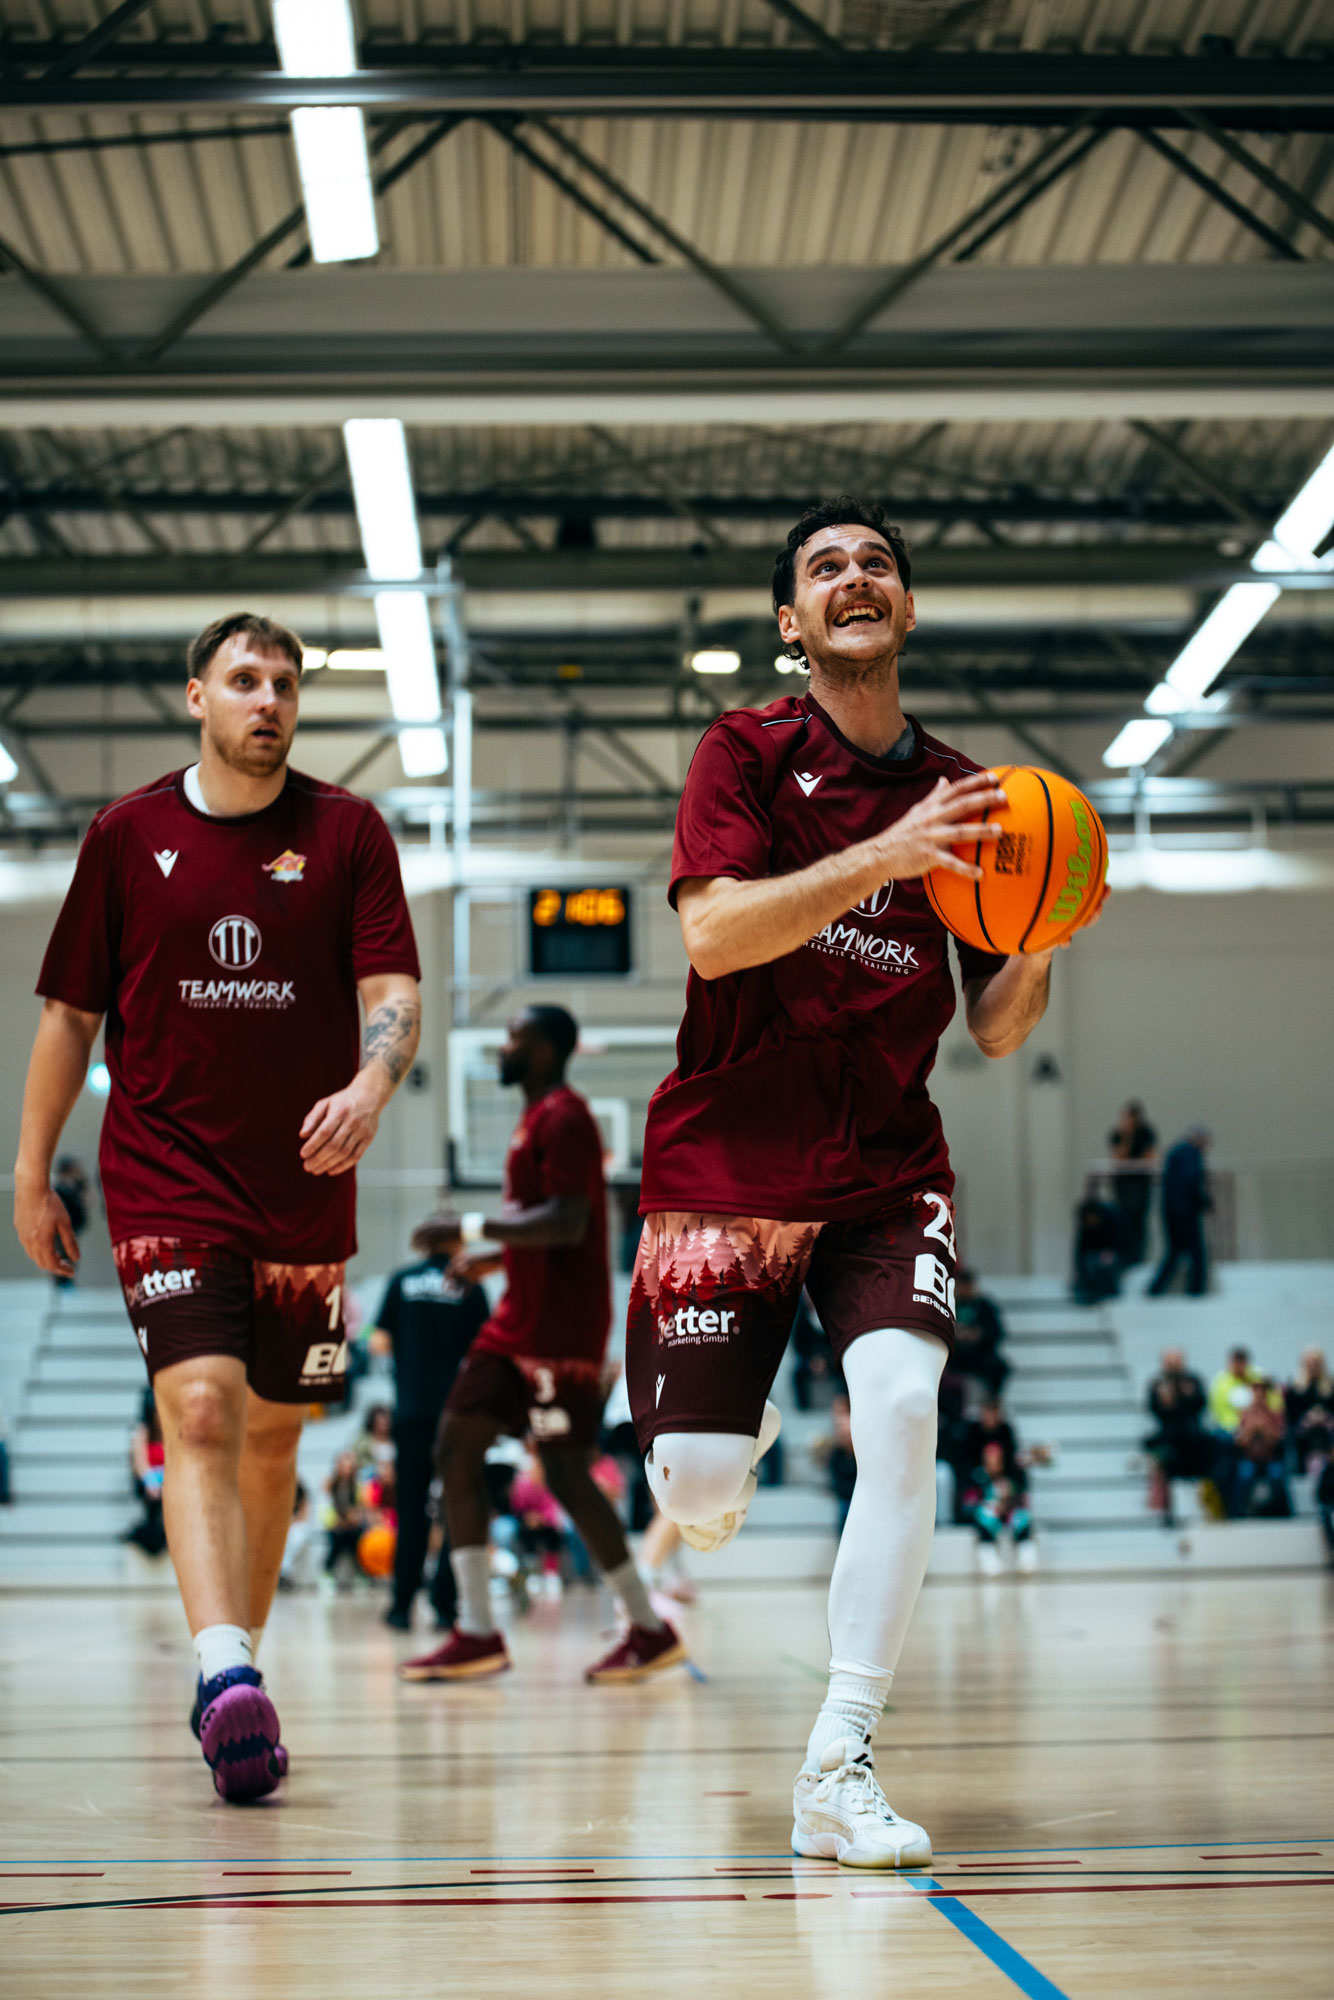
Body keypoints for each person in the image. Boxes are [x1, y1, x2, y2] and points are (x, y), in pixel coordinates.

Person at [625, 498, 1100, 1869]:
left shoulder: (975, 797)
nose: (854, 578)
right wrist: (882, 858)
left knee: (899, 1411)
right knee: (694, 1486)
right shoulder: (742, 752)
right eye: (824, 567)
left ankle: (837, 1761)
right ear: (791, 620)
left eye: (877, 563)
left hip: (888, 1165)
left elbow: (996, 1029)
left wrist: (1041, 927)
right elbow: (716, 935)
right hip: (727, 1155)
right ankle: (717, 1445)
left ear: (905, 607)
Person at [12, 610, 421, 1801]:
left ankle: (236, 1676)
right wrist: (31, 1172)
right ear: (196, 696)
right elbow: (68, 1016)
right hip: (165, 1174)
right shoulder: (125, 835)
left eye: (285, 682)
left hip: (304, 1185)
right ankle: (225, 1665)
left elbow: (393, 990)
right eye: (245, 679)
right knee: (198, 1408)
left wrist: (371, 1083)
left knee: (276, 1434)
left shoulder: (348, 831)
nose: (269, 699)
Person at [399, 1006, 682, 1685]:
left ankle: (647, 1626)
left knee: (565, 1475)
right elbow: (548, 1229)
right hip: (519, 1323)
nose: (503, 1048)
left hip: (558, 1332)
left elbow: (567, 1222)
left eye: (515, 1038)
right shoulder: (535, 1121)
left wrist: (469, 1227)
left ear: (547, 1050)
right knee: (455, 1449)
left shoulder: (566, 1118)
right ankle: (475, 1629)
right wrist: (496, 1260)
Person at [371, 1213, 490, 1631]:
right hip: (456, 1414)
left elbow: (378, 1341)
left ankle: (401, 1605)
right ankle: (445, 1605)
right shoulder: (469, 1284)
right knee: (458, 1506)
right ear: (457, 1242)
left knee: (411, 1509)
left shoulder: (401, 1281)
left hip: (411, 1412)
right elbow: (484, 1348)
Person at [1142, 1348, 1212, 1521]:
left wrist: (1186, 1396)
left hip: (1193, 1439)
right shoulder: (1157, 1383)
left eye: (1176, 1362)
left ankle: (1208, 1508)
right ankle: (1168, 1511)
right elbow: (1154, 1410)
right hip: (1169, 1439)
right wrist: (1167, 1401)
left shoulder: (1192, 1380)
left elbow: (1201, 1404)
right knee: (1164, 1462)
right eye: (1170, 1362)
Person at [1148, 1127, 1212, 1297]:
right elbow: (1192, 1179)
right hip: (1186, 1211)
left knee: (1174, 1251)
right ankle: (1196, 1290)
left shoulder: (1175, 1152)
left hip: (1170, 1209)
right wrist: (1203, 1201)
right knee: (1196, 1251)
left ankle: (1155, 1290)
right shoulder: (1192, 1154)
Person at [971, 1439, 1038, 1575]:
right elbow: (973, 1500)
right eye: (989, 1459)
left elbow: (1022, 1497)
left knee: (1022, 1517)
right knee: (985, 1515)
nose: (993, 1462)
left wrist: (1009, 1499)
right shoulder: (979, 1476)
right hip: (992, 1515)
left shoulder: (1012, 1475)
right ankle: (988, 1554)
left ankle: (1025, 1552)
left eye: (996, 1459)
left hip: (1009, 1512)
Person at [1107, 1101, 1157, 1266]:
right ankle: (1125, 1254)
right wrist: (1127, 1137)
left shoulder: (1146, 1133)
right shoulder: (1118, 1134)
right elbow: (1119, 1157)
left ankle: (1139, 1256)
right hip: (1123, 1184)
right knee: (1123, 1219)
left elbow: (1150, 1157)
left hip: (1141, 1183)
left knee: (1140, 1221)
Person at [124, 1387, 168, 1556]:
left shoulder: (168, 1431)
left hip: (167, 1478)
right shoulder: (141, 1432)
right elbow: (139, 1461)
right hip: (148, 1481)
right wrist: (151, 1480)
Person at [952, 1268, 1009, 1396]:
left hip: (978, 1353)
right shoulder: (950, 1304)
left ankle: (992, 1400)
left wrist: (978, 1335)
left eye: (968, 1286)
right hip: (954, 1354)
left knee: (999, 1367)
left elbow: (997, 1332)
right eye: (962, 1286)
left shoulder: (985, 1306)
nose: (965, 1290)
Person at [1285, 1347, 1334, 1475]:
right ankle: (1300, 1470)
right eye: (1309, 1363)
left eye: (1315, 1363)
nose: (1312, 1367)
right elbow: (1290, 1413)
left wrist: (1324, 1417)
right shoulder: (1295, 1387)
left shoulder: (1330, 1385)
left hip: (1327, 1429)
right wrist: (1307, 1418)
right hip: (1303, 1430)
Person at [1072, 1189, 1123, 1303]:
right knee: (1092, 1263)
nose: (1091, 1221)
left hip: (1113, 1256)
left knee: (1104, 1264)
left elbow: (1121, 1244)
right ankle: (1089, 1290)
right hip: (1094, 1258)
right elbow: (1080, 1253)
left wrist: (1110, 1252)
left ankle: (1107, 1292)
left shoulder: (1111, 1222)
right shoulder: (1086, 1229)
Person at [51, 1157, 89, 1288]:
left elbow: (85, 1200)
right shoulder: (61, 1188)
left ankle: (67, 1282)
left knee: (72, 1255)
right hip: (63, 1228)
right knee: (64, 1255)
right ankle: (63, 1283)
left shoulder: (75, 1186)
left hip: (73, 1227)